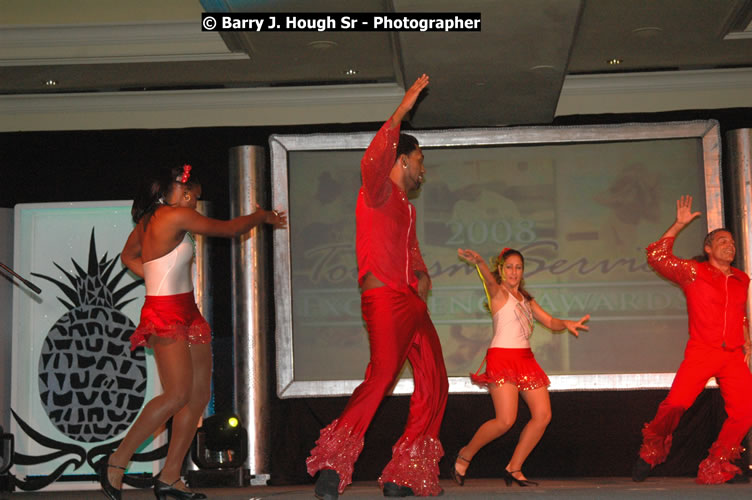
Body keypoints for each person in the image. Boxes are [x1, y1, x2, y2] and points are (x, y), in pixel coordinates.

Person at [99, 164, 286, 500]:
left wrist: (155, 276)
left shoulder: (150, 220)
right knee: (176, 394)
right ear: (182, 193)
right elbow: (228, 230)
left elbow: (129, 256)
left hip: (188, 313)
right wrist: (260, 217)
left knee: (198, 396)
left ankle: (170, 477)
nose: (196, 203)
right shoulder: (172, 216)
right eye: (194, 197)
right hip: (165, 314)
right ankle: (116, 461)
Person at [306, 74, 449, 499]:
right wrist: (403, 110)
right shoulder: (377, 189)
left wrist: (422, 274)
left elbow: (412, 249)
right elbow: (372, 160)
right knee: (383, 373)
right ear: (403, 159)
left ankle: (405, 474)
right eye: (420, 157)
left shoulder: (405, 207)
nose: (423, 166)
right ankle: (332, 465)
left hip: (409, 300)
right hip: (384, 296)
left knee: (435, 381)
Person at [632, 195, 752, 484]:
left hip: (733, 355)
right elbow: (657, 257)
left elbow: (740, 313)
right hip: (703, 351)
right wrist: (678, 225)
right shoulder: (694, 272)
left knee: (745, 413)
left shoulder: (741, 279)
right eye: (722, 240)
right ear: (708, 248)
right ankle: (652, 449)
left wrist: (747, 340)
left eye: (732, 241)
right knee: (675, 405)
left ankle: (716, 464)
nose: (730, 244)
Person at [452, 247, 590, 487]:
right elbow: (488, 279)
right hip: (502, 359)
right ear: (501, 270)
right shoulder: (497, 293)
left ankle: (514, 467)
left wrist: (565, 323)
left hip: (525, 360)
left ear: (522, 271)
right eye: (509, 267)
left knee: (543, 415)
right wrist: (480, 262)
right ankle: (466, 454)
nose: (514, 272)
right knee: (505, 420)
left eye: (518, 267)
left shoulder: (526, 299)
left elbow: (549, 321)